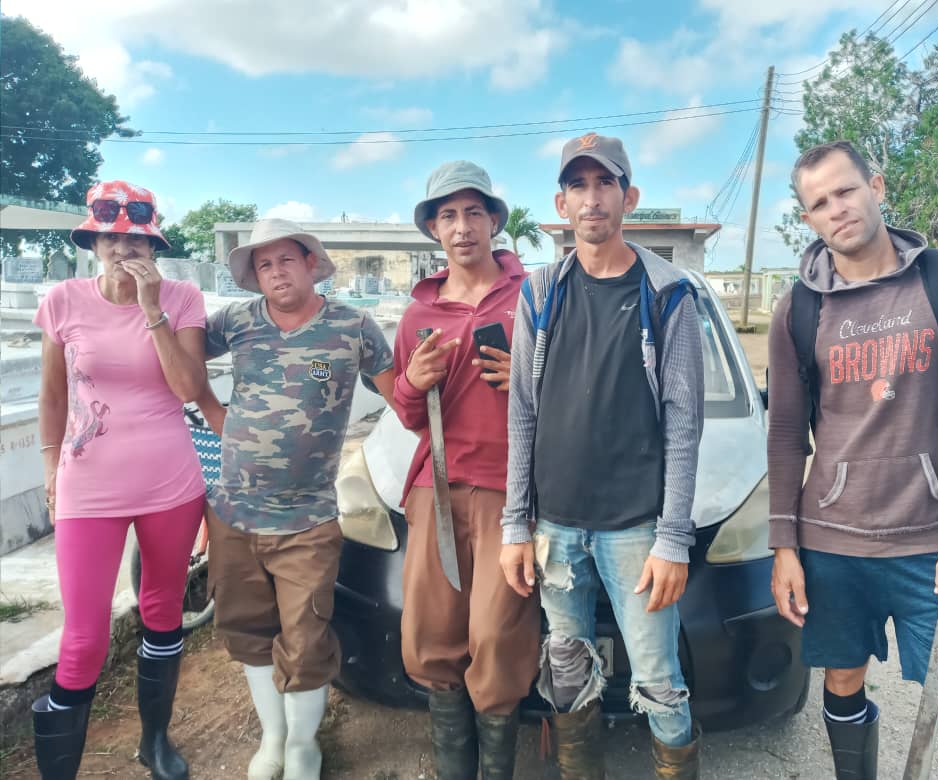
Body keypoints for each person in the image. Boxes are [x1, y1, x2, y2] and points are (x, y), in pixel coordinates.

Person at [767, 140, 938, 780]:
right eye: (818, 203)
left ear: (876, 187)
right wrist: (784, 547)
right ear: (808, 218)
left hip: (932, 549)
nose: (836, 209)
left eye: (846, 191)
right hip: (832, 544)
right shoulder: (798, 308)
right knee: (843, 679)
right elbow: (787, 433)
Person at [500, 134, 705, 779]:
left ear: (629, 196)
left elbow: (683, 421)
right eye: (578, 186)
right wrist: (515, 524)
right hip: (556, 529)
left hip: (636, 532)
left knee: (660, 681)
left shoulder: (668, 294)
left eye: (605, 183)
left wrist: (673, 537)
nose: (592, 199)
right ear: (561, 203)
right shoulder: (540, 294)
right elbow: (524, 414)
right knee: (567, 669)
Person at [196, 219, 395, 780]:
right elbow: (180, 359)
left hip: (307, 518)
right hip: (234, 512)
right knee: (249, 631)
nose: (276, 271)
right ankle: (274, 738)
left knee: (305, 638)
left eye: (287, 259)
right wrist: (214, 410)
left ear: (312, 263)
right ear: (254, 276)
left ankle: (305, 744)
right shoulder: (234, 322)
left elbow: (399, 394)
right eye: (264, 264)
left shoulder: (352, 327)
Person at [32, 180, 208, 780]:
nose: (122, 249)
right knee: (83, 641)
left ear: (154, 247)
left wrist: (152, 310)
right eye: (111, 238)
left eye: (136, 240)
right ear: (94, 241)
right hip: (89, 485)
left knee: (161, 610)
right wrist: (52, 468)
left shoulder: (182, 299)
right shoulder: (62, 301)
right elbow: (53, 394)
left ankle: (154, 741)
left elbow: (188, 388)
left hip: (171, 483)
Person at [395, 161, 541, 779]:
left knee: (498, 632)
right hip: (438, 486)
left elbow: (569, 391)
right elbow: (409, 415)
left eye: (474, 212)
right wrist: (411, 381)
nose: (462, 227)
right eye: (448, 215)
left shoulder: (536, 295)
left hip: (511, 488)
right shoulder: (415, 314)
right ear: (433, 228)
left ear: (493, 221)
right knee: (432, 634)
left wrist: (529, 381)